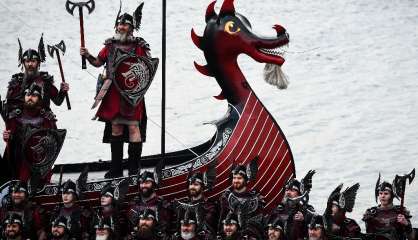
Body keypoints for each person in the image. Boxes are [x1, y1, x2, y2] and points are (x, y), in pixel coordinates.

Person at [80, 3, 158, 178]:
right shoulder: (110, 46)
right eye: (119, 24)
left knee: (133, 128)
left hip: (132, 94)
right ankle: (116, 169)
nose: (121, 27)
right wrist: (87, 55)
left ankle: (134, 169)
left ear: (132, 28)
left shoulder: (140, 46)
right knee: (116, 127)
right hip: (113, 92)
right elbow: (97, 63)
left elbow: (148, 69)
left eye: (125, 24)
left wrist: (136, 86)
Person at [2, 83, 63, 184]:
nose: (30, 98)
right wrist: (7, 137)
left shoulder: (47, 118)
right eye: (28, 95)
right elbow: (10, 137)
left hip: (38, 160)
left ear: (39, 98)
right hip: (19, 160)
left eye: (34, 95)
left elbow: (54, 140)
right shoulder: (14, 116)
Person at [218, 161, 265, 239]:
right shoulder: (225, 197)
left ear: (245, 180)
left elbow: (257, 223)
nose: (236, 181)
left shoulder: (254, 198)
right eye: (234, 178)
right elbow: (221, 218)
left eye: (239, 178)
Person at [268, 171, 316, 240]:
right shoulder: (277, 210)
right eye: (287, 189)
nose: (288, 192)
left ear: (300, 193)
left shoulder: (308, 210)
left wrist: (304, 220)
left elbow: (317, 231)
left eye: (292, 190)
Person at [363, 175, 413, 240]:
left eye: (386, 193)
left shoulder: (401, 211)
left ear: (392, 195)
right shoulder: (371, 214)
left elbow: (411, 237)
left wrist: (406, 224)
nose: (382, 196)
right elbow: (369, 236)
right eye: (380, 193)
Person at [128, 171, 171, 235]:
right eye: (141, 183)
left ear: (153, 184)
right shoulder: (134, 204)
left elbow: (165, 228)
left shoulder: (163, 204)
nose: (143, 186)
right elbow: (131, 227)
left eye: (147, 182)